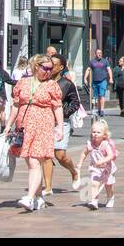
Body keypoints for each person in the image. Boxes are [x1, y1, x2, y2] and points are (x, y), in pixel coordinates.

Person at [7, 55, 65, 213]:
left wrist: (60, 127)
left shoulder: (52, 85)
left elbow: (57, 107)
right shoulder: (23, 83)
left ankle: (30, 197)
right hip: (24, 127)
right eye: (45, 68)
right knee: (31, 163)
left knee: (34, 162)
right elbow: (16, 105)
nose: (48, 71)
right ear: (35, 67)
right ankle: (39, 198)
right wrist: (8, 125)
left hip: (43, 127)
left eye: (50, 69)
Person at [43, 55, 82, 197]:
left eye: (53, 64)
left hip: (61, 122)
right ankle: (47, 187)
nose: (50, 67)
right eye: (48, 63)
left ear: (60, 67)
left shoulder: (66, 84)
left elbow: (75, 102)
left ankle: (74, 171)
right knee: (46, 155)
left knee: (60, 155)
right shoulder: (43, 81)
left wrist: (64, 113)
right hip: (44, 122)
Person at [77, 119, 118, 210]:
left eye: (98, 132)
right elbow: (84, 153)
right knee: (94, 184)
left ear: (104, 135)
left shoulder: (105, 144)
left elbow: (111, 155)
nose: (95, 134)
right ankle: (94, 201)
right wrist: (80, 163)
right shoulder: (90, 144)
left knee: (108, 185)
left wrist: (103, 161)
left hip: (107, 168)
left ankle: (110, 197)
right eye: (93, 132)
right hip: (95, 168)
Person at [85, 48, 112, 119]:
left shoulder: (105, 61)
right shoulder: (92, 61)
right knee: (96, 97)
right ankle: (98, 109)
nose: (99, 54)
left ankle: (102, 110)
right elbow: (88, 69)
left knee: (102, 95)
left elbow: (109, 70)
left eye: (100, 53)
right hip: (95, 81)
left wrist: (111, 78)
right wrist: (85, 78)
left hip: (103, 81)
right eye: (98, 53)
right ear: (95, 54)